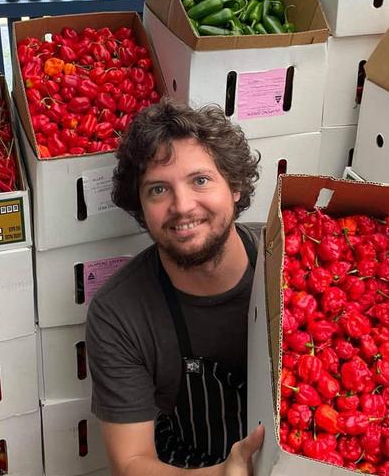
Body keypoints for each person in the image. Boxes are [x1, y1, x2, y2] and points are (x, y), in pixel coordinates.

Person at [86, 98, 266, 476]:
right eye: (158, 190)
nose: (182, 206)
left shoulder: (286, 260)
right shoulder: (119, 312)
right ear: (141, 207)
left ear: (234, 186)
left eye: (200, 180)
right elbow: (131, 462)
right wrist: (223, 474)